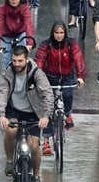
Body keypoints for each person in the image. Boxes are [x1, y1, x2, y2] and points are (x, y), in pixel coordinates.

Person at [0, 45, 53, 182]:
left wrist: (46, 116)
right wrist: (1, 115)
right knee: (10, 130)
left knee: (34, 146)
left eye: (20, 61)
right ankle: (9, 161)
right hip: (14, 110)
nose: (17, 64)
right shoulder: (7, 73)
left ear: (27, 59)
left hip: (33, 112)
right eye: (14, 61)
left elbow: (47, 93)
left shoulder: (37, 74)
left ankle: (35, 176)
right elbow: (2, 93)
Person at [35, 20, 86, 154]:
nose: (59, 35)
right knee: (48, 110)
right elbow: (39, 61)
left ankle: (68, 114)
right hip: (49, 78)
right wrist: (37, 78)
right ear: (52, 33)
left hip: (67, 77)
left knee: (68, 96)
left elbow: (78, 58)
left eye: (61, 32)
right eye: (56, 33)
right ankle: (46, 142)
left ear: (65, 33)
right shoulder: (46, 45)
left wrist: (81, 76)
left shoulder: (71, 44)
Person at [0, 0, 36, 69]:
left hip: (20, 33)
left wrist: (30, 42)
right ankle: (6, 78)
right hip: (6, 35)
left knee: (21, 55)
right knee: (6, 59)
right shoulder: (2, 8)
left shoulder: (24, 8)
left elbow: (28, 25)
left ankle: (24, 75)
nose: (14, 1)